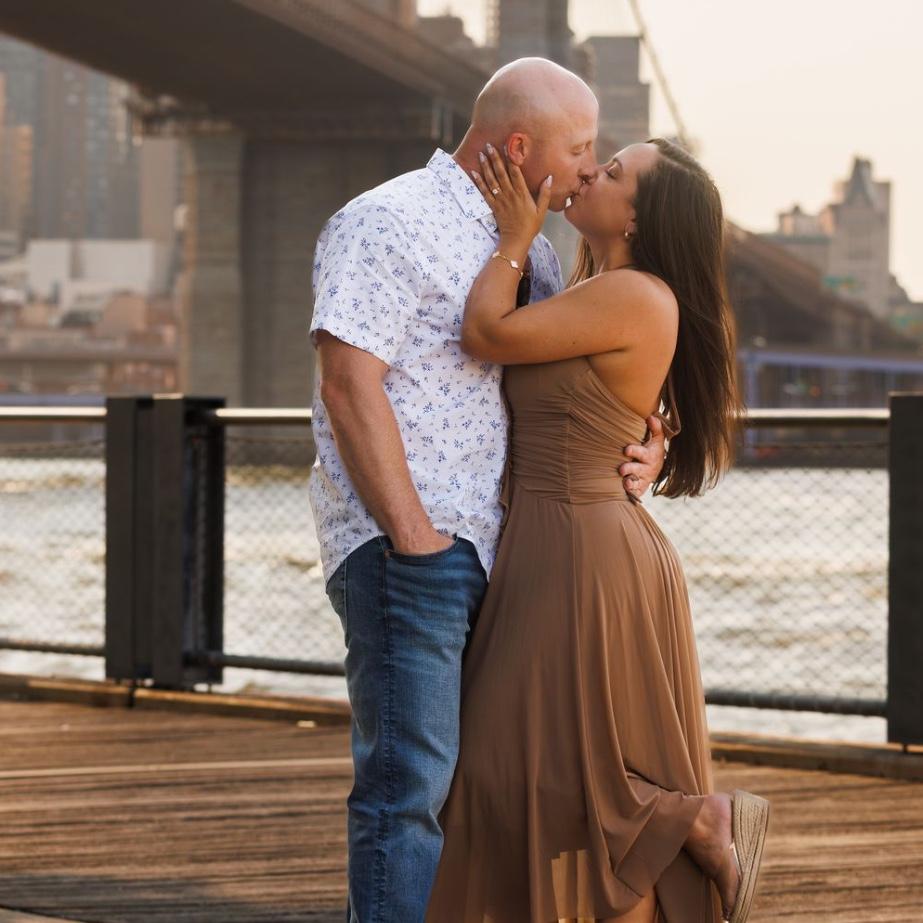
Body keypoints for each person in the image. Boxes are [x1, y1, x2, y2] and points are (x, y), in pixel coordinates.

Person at [308, 59, 668, 922]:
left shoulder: (532, 249)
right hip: (414, 553)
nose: (589, 166)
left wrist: (650, 438)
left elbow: (578, 378)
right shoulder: (387, 220)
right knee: (407, 791)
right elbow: (348, 383)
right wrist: (412, 537)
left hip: (510, 559)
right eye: (580, 148)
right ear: (517, 147)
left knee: (494, 786)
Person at [423, 142, 770, 923]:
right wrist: (655, 437)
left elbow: (485, 333)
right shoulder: (592, 287)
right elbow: (607, 399)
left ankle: (697, 820)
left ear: (639, 219)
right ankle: (688, 821)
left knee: (512, 766)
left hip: (582, 551)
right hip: (553, 543)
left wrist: (514, 237)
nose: (588, 173)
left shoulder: (634, 293)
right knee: (515, 762)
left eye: (612, 172)